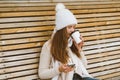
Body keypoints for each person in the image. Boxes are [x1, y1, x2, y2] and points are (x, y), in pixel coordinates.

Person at [38, 3, 99, 80]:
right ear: (61, 29)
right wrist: (59, 70)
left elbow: (84, 66)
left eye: (74, 27)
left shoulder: (71, 43)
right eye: (69, 27)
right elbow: (42, 74)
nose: (73, 30)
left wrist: (79, 49)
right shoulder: (48, 46)